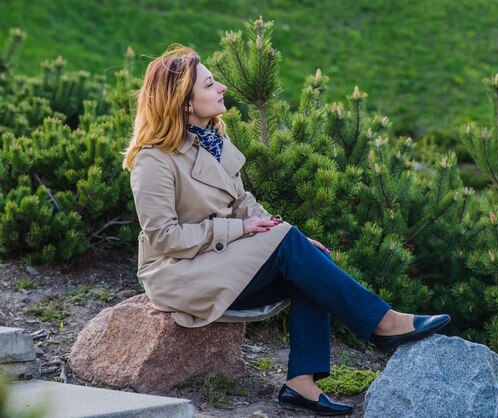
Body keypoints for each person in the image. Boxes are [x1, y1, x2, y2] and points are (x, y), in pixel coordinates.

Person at [122, 45, 450, 416]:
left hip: (218, 263)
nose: (223, 88)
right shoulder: (153, 159)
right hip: (179, 275)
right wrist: (243, 230)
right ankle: (383, 323)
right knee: (297, 255)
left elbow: (244, 202)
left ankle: (301, 383)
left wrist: (284, 236)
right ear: (184, 103)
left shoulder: (214, 140)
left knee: (309, 264)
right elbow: (164, 238)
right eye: (211, 84)